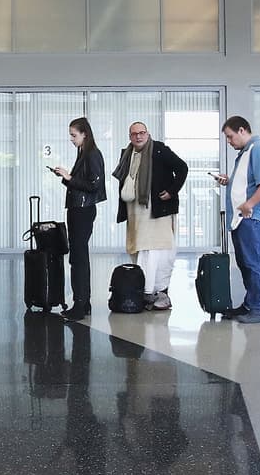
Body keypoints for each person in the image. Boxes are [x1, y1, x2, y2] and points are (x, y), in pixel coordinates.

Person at [111, 122, 188, 311]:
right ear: (130, 136)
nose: (138, 137)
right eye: (134, 134)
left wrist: (171, 191)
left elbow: (182, 168)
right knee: (139, 250)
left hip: (157, 210)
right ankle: (143, 290)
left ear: (148, 133)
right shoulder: (127, 153)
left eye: (142, 133)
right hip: (135, 211)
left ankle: (158, 291)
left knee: (157, 251)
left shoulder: (159, 150)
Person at [214, 116, 260, 324]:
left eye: (230, 137)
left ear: (242, 130)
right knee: (246, 263)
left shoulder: (258, 149)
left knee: (256, 264)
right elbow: (247, 183)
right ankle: (250, 304)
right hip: (241, 220)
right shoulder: (245, 153)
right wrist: (229, 181)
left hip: (253, 219)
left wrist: (250, 204)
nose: (229, 142)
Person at [53, 116, 106, 321]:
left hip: (83, 210)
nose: (71, 139)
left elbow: (94, 185)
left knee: (79, 257)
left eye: (74, 135)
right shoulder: (84, 153)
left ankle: (80, 302)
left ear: (85, 134)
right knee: (78, 256)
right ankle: (84, 302)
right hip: (78, 208)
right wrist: (68, 179)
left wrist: (69, 178)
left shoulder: (92, 154)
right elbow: (84, 182)